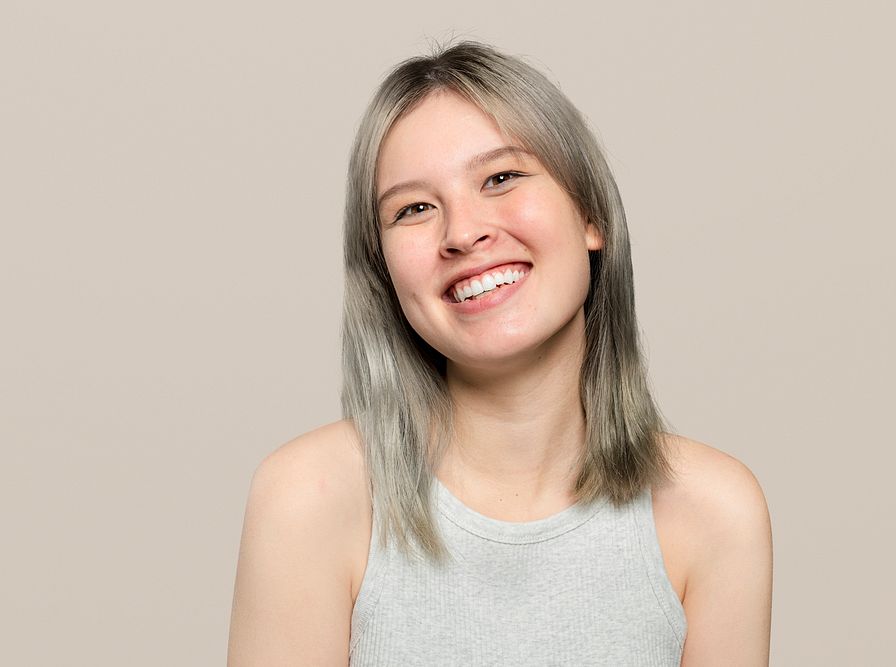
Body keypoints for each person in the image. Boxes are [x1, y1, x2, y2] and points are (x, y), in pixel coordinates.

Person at [228, 41, 772, 666]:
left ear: (590, 213)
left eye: (501, 178)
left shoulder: (714, 511)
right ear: (384, 272)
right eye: (414, 209)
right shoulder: (310, 497)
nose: (463, 233)